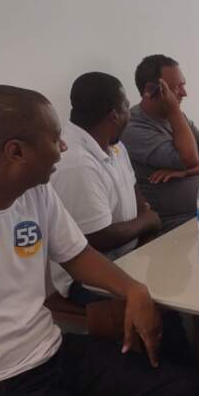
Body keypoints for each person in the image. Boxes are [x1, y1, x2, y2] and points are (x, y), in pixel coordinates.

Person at [0, 85, 199, 395]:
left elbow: (77, 255)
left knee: (182, 387)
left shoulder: (36, 189)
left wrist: (133, 289)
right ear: (16, 152)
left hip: (51, 352)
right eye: (54, 138)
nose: (63, 146)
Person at [49, 72, 161, 305]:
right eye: (127, 106)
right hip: (90, 279)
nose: (130, 113)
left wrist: (146, 232)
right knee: (163, 301)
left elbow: (138, 199)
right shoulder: (76, 162)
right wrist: (148, 222)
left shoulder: (114, 145)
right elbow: (98, 238)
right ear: (114, 115)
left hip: (130, 255)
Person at [121, 54, 199, 233]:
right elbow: (190, 158)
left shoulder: (178, 118)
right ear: (150, 90)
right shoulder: (134, 126)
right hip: (173, 226)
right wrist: (174, 111)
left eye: (183, 85)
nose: (184, 93)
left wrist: (185, 172)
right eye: (176, 87)